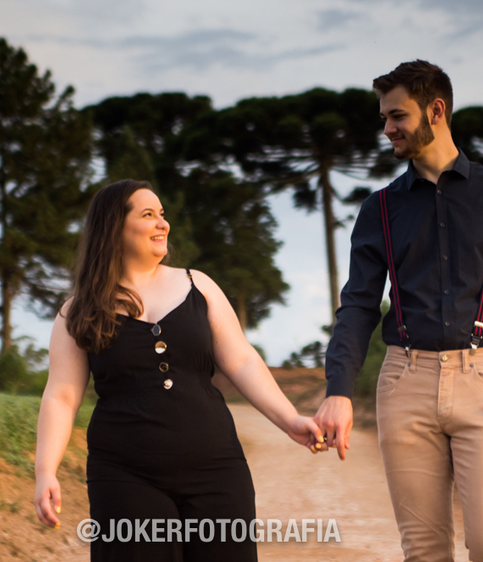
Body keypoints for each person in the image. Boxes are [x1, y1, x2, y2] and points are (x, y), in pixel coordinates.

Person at [315, 60, 483, 562]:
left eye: (397, 116)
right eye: (384, 118)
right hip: (405, 382)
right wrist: (338, 390)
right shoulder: (380, 208)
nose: (388, 129)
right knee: (423, 551)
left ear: (436, 110)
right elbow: (357, 306)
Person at [34, 179, 324, 561]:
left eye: (163, 215)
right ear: (114, 228)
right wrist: (45, 471)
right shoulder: (77, 311)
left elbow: (241, 359)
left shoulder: (197, 285)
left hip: (216, 469)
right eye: (148, 215)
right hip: (125, 476)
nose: (162, 224)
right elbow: (62, 395)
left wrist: (289, 419)